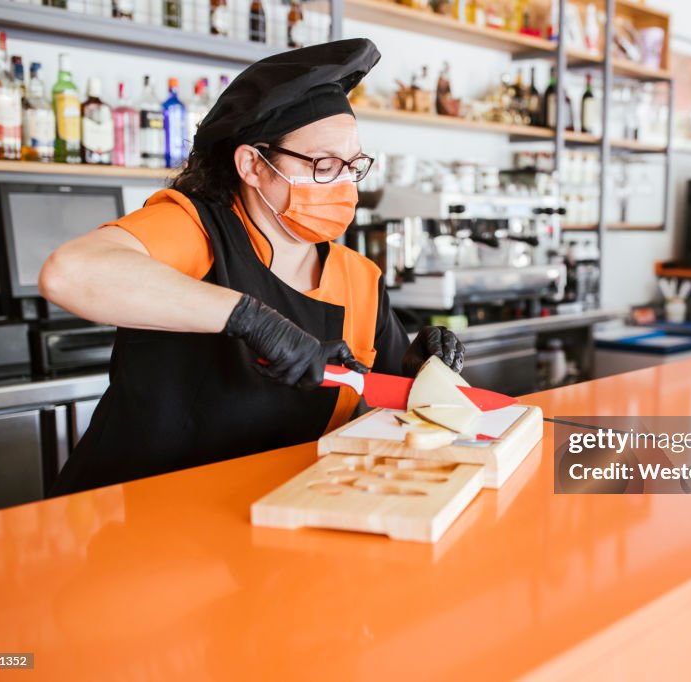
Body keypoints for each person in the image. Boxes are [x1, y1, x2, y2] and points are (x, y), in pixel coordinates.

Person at [40, 39, 464, 494]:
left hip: (269, 518)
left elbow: (396, 417)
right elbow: (69, 273)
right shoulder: (196, 228)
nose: (343, 183)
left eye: (353, 165)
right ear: (253, 165)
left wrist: (421, 373)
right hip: (132, 519)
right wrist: (248, 317)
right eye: (324, 164)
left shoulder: (357, 277)